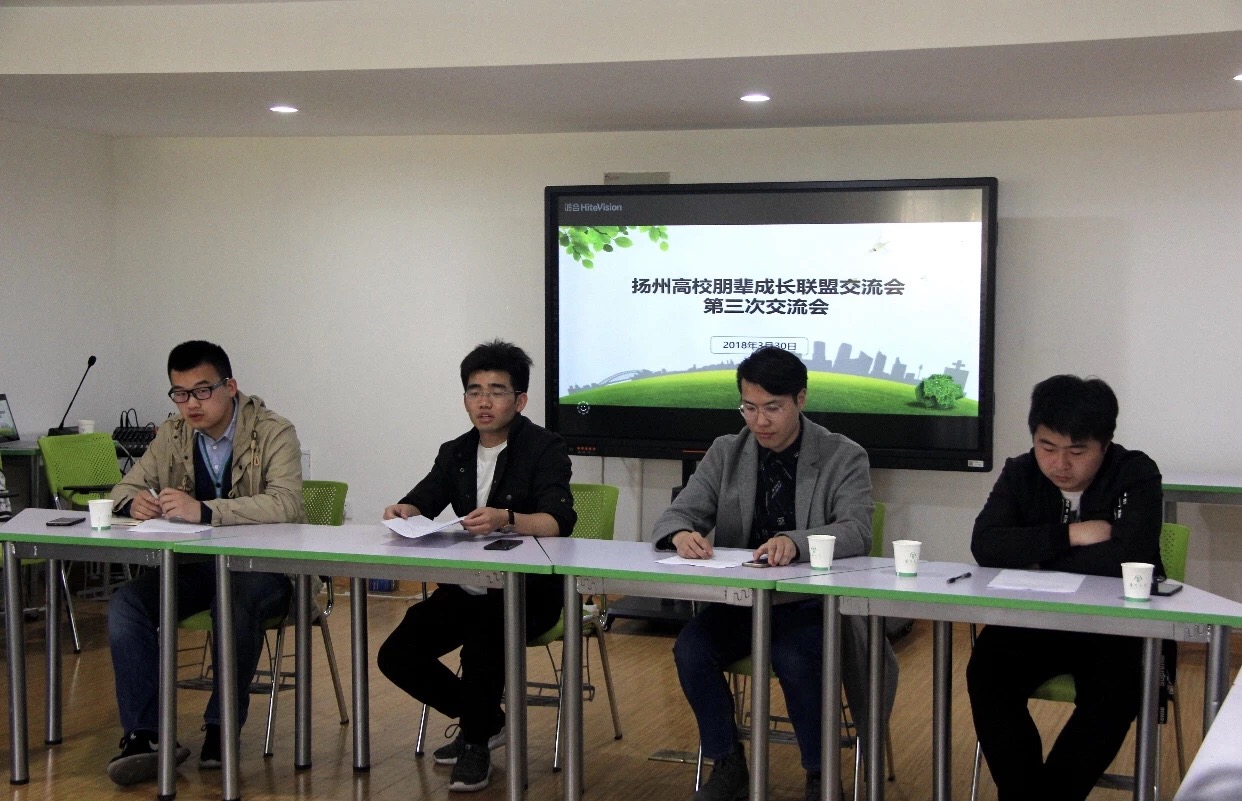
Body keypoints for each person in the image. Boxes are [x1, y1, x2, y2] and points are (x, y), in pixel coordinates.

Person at [652, 346, 898, 801]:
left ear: (800, 400)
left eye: (772, 408)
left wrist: (797, 542)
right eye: (749, 408)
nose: (759, 421)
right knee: (691, 649)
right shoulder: (727, 452)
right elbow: (676, 515)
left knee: (796, 658)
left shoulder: (843, 455)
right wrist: (682, 534)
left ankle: (821, 775)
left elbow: (857, 531)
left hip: (811, 604)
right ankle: (728, 764)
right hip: (743, 602)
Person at [376, 340, 575, 793]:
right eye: (474, 391)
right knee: (397, 653)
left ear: (520, 400)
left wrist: (508, 518)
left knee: (484, 641)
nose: (484, 402)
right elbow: (423, 498)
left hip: (528, 593)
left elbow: (558, 521)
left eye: (497, 391)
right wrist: (404, 510)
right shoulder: (456, 451)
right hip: (468, 587)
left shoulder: (544, 448)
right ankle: (484, 722)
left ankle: (476, 743)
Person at [106, 340, 305, 786]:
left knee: (231, 600)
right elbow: (125, 486)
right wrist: (133, 503)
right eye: (180, 393)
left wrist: (207, 510)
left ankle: (221, 725)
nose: (191, 404)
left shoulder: (274, 431)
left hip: (262, 569)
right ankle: (146, 734)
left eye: (202, 391)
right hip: (196, 568)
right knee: (126, 604)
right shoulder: (173, 434)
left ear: (230, 387)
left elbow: (287, 503)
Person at [967, 374, 1164, 801]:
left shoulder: (1136, 473)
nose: (1060, 464)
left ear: (1105, 444)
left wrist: (1034, 555)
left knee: (1118, 689)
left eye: (1077, 451)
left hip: (1116, 627)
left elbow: (1129, 557)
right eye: (1047, 447)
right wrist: (1073, 534)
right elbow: (986, 545)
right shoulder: (1021, 472)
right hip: (1037, 620)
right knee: (987, 671)